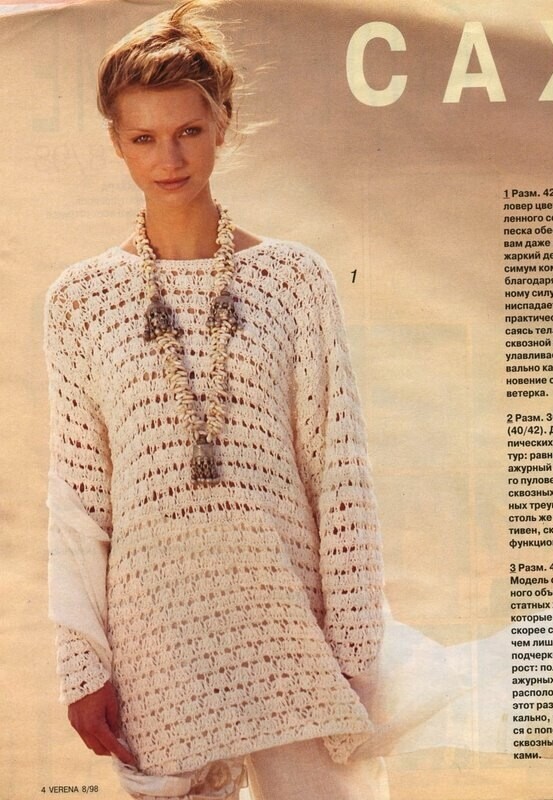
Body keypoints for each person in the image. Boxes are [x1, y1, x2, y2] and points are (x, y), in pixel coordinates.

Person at [43, 2, 388, 798]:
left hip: (287, 625)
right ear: (117, 142)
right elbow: (78, 500)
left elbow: (339, 476)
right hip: (155, 640)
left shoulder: (293, 280)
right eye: (143, 138)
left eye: (188, 131)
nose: (168, 158)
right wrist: (82, 664)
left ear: (222, 123)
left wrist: (356, 647)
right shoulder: (80, 300)